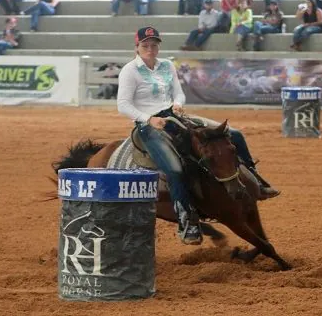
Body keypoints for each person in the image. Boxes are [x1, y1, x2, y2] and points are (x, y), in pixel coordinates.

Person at [118, 27, 281, 244]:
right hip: (149, 125)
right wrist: (148, 119)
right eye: (145, 45)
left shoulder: (166, 66)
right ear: (137, 47)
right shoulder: (130, 71)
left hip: (174, 116)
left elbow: (178, 91)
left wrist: (177, 103)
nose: (150, 49)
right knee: (174, 169)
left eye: (154, 44)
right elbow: (123, 105)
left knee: (234, 135)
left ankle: (256, 181)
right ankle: (188, 221)